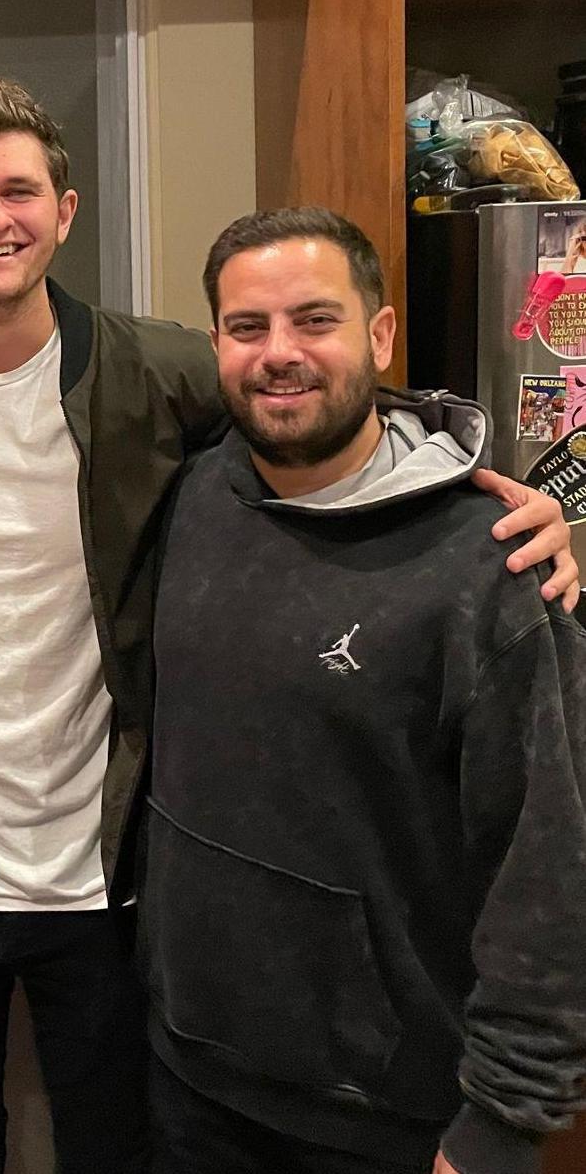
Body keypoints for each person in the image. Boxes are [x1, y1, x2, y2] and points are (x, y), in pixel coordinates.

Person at [0, 79, 580, 1174]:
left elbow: (318, 407)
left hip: (108, 884)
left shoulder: (155, 369)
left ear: (64, 210)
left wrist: (501, 494)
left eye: (17, 189)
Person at [145, 207, 586, 1174]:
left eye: (315, 319)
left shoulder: (487, 569)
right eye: (248, 327)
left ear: (380, 335)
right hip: (188, 1075)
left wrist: (501, 1128)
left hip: (385, 1119)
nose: (279, 353)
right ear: (215, 345)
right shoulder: (192, 497)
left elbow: (548, 869)